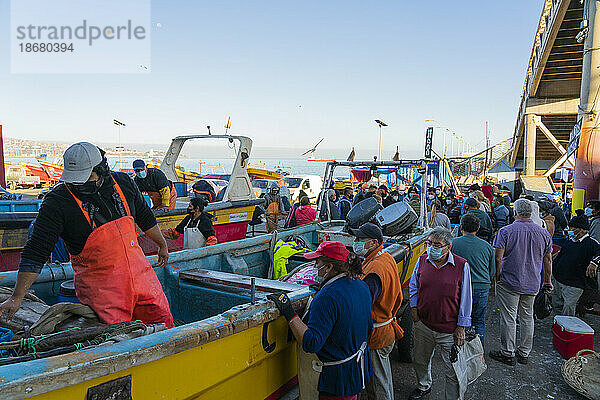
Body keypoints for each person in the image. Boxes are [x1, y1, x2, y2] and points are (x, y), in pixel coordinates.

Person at [0, 143, 173, 327]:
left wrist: (161, 245)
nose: (79, 184)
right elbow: (36, 251)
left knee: (163, 322)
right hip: (103, 291)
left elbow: (145, 217)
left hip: (143, 279)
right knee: (118, 336)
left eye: (86, 177)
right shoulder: (57, 201)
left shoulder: (124, 182)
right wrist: (17, 297)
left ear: (102, 170)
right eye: (74, 179)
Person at [268, 241, 373, 399]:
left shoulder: (326, 297)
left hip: (336, 379)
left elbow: (311, 343)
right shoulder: (361, 285)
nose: (314, 267)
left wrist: (288, 312)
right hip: (357, 370)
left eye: (317, 262)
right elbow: (369, 328)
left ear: (329, 267)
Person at [408, 227, 472, 400]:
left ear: (448, 247)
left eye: (436, 245)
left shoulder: (461, 265)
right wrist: (414, 309)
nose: (431, 248)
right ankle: (423, 385)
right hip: (424, 324)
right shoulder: (422, 260)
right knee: (420, 359)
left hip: (449, 329)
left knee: (452, 370)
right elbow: (414, 285)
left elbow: (466, 298)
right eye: (429, 243)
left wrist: (461, 327)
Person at [489, 198, 552, 366]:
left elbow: (498, 257)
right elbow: (548, 260)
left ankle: (507, 352)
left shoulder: (506, 231)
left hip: (509, 281)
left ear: (515, 212)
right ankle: (524, 352)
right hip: (532, 282)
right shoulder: (543, 233)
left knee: (509, 317)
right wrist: (547, 281)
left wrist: (496, 277)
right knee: (527, 317)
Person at [350, 223, 402, 400]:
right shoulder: (383, 256)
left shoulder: (375, 269)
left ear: (372, 242)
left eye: (359, 239)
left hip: (377, 334)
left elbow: (363, 305)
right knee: (375, 380)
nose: (355, 242)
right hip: (384, 327)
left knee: (379, 382)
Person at [452, 214, 495, 345]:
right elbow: (491, 271)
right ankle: (478, 350)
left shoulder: (453, 243)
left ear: (461, 227)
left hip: (457, 288)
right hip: (481, 288)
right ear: (478, 228)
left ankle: (456, 349)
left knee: (457, 319)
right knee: (478, 321)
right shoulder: (487, 246)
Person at [552, 210, 600, 316]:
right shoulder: (569, 241)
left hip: (574, 284)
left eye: (571, 228)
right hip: (558, 279)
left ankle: (566, 330)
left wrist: (594, 263)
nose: (569, 230)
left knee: (568, 307)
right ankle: (557, 327)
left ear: (581, 230)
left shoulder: (591, 243)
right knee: (557, 306)